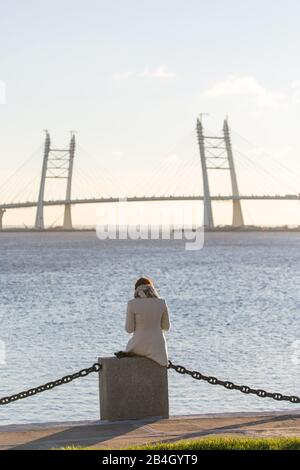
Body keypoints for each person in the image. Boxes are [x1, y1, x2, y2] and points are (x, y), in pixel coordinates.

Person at [116, 277, 170, 367]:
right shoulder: (162, 303)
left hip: (138, 346)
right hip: (157, 347)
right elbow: (166, 327)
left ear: (136, 290)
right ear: (152, 288)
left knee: (129, 348)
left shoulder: (132, 304)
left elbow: (129, 329)